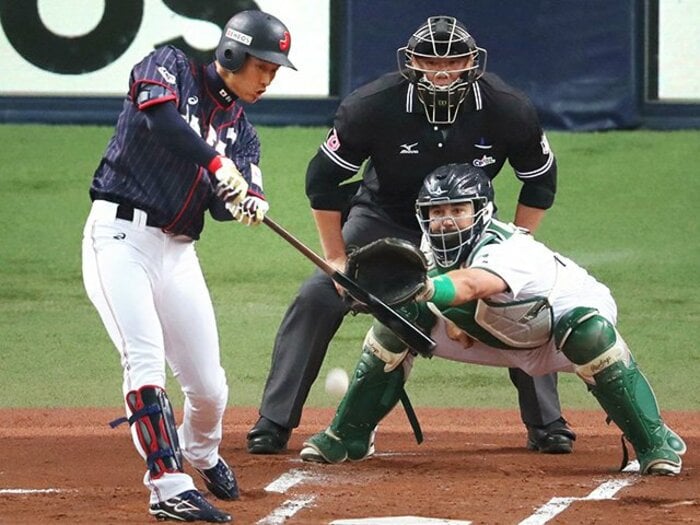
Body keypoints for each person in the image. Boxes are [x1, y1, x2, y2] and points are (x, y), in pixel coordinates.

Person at [248, 15, 575, 456]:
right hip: (385, 220)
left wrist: (515, 245)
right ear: (410, 62)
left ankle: (547, 423)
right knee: (317, 296)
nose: (441, 71)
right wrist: (337, 258)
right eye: (428, 60)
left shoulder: (506, 107)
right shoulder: (373, 105)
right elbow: (322, 183)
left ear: (472, 63)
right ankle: (273, 421)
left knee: (522, 299)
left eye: (454, 61)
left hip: (470, 225)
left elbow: (541, 182)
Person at [300, 163, 687, 476]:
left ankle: (655, 441)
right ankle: (349, 434)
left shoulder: (511, 249)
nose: (445, 221)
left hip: (554, 327)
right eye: (437, 212)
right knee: (397, 317)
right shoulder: (429, 248)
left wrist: (428, 292)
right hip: (492, 327)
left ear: (480, 212)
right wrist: (395, 300)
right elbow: (452, 298)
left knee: (591, 334)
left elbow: (471, 284)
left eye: (458, 210)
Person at [81, 10, 295, 523]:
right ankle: (167, 486)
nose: (268, 78)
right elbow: (163, 122)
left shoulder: (242, 134)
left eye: (275, 70)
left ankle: (199, 452)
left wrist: (244, 203)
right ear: (232, 54)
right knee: (145, 361)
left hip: (177, 254)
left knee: (209, 388)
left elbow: (227, 201)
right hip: (119, 239)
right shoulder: (169, 65)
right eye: (263, 65)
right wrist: (218, 166)